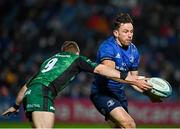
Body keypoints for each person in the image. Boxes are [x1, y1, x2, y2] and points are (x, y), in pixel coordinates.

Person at [1, 41, 151, 128]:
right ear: (76, 53)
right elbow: (102, 69)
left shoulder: (48, 62)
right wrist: (129, 77)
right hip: (43, 93)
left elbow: (26, 86)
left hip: (31, 94)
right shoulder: (75, 59)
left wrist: (15, 105)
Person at [90, 13, 157, 128]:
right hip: (103, 93)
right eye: (125, 31)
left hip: (119, 95)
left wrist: (149, 93)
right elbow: (110, 74)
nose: (130, 35)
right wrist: (134, 81)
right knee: (129, 124)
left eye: (131, 31)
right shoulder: (108, 47)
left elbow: (134, 79)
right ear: (116, 33)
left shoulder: (134, 51)